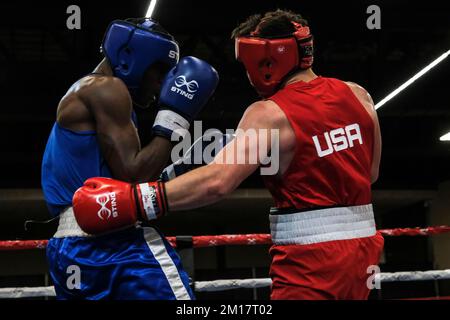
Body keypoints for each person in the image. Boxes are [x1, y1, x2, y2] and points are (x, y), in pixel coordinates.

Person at [72, 10, 384, 300]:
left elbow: (218, 182)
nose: (248, 75)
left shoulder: (268, 114)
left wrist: (134, 201)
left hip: (311, 259)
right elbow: (369, 174)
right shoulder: (359, 95)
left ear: (265, 60)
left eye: (247, 63)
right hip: (364, 253)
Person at [41, 17, 219, 299]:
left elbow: (119, 184)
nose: (163, 83)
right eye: (159, 71)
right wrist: (177, 117)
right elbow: (134, 176)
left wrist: (186, 163)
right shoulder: (107, 89)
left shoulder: (91, 93)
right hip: (113, 245)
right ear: (129, 57)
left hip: (68, 249)